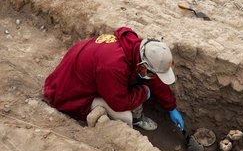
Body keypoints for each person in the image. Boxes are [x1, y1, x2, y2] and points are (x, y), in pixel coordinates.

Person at [43, 26, 185, 132]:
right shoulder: (113, 68)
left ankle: (138, 111)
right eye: (153, 74)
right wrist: (143, 92)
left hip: (79, 75)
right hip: (67, 92)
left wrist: (171, 107)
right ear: (143, 66)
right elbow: (119, 103)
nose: (154, 78)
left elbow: (153, 76)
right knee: (125, 117)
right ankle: (135, 121)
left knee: (137, 84)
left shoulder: (135, 48)